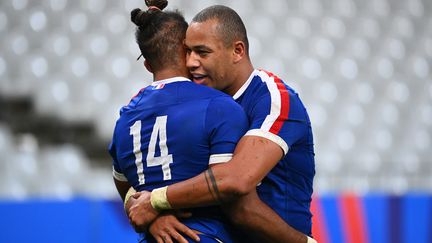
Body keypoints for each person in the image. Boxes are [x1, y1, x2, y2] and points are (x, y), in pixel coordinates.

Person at [126, 4, 317, 243]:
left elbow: (236, 180)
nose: (191, 62)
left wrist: (155, 201)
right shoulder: (198, 103)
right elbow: (133, 176)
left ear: (237, 51)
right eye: (188, 52)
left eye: (202, 52)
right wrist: (153, 215)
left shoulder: (273, 100)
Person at [109, 1, 250, 242]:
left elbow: (123, 185)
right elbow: (227, 184)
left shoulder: (124, 120)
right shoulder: (220, 106)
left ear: (148, 64)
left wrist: (153, 215)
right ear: (188, 52)